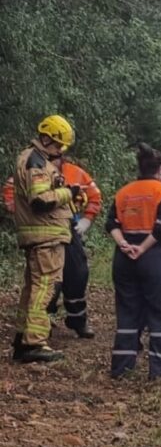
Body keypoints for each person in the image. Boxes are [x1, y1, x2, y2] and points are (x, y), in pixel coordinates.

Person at [11, 115, 85, 363]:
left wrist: (66, 193)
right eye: (57, 145)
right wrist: (68, 192)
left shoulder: (36, 160)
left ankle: (23, 338)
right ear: (45, 138)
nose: (60, 152)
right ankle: (34, 343)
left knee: (33, 288)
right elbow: (40, 200)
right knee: (46, 288)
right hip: (46, 236)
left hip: (41, 235)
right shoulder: (35, 161)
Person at [106, 143, 161, 380]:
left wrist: (124, 244)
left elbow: (112, 224)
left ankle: (122, 368)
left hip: (124, 257)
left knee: (127, 312)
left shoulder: (124, 191)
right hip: (153, 256)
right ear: (159, 170)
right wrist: (142, 248)